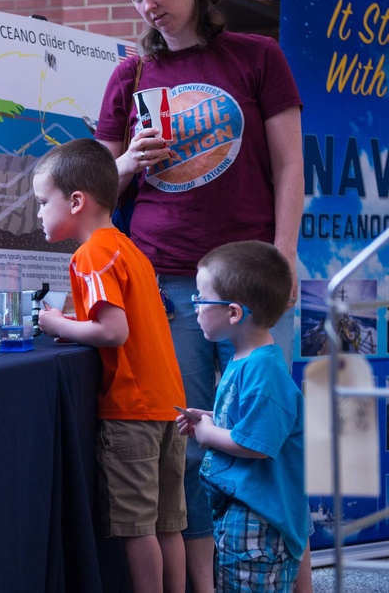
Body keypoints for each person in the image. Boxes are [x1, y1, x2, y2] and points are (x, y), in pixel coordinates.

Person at [94, 0, 307, 590]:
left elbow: (290, 164)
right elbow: (94, 184)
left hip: (250, 276)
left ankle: (296, 576)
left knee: (274, 436)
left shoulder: (257, 55)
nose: (147, 5)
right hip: (164, 279)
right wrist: (130, 161)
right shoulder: (130, 75)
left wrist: (286, 256)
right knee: (184, 443)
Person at [34, 138, 187, 593]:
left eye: (44, 202)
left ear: (76, 201)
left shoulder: (91, 254)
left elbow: (112, 331)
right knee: (169, 524)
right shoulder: (128, 248)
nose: (39, 213)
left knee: (137, 528)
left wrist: (57, 324)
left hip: (132, 410)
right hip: (167, 407)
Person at [177, 240, 308, 592]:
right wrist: (208, 418)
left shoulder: (264, 373)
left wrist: (208, 435)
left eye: (201, 299)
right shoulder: (244, 360)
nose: (196, 307)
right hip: (242, 509)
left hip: (259, 519)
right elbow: (244, 420)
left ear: (234, 313)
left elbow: (257, 445)